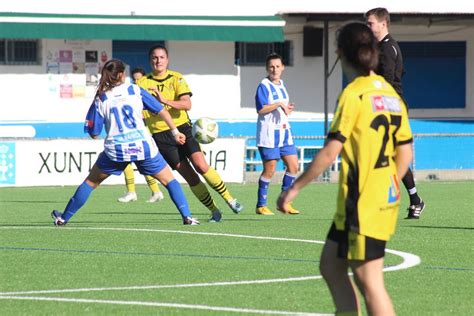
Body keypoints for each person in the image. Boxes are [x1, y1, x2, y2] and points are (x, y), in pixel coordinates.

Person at [277, 22, 413, 315]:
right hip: (370, 201)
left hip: (363, 202)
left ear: (341, 53)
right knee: (331, 265)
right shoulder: (391, 95)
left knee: (369, 281)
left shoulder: (354, 94)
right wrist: (390, 183)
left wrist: (293, 189)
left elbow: (329, 154)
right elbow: (406, 152)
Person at [51, 59, 200, 226]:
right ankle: (187, 217)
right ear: (122, 74)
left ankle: (63, 218)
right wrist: (175, 132)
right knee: (169, 181)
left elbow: (94, 133)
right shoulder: (135, 90)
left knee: (91, 183)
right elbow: (161, 110)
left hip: (116, 150)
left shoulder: (101, 98)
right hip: (142, 146)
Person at [136, 44, 243, 222]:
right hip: (160, 137)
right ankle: (214, 210)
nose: (158, 61)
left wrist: (164, 101)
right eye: (155, 57)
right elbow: (137, 109)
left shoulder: (176, 78)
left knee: (201, 165)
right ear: (150, 61)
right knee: (190, 176)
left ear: (167, 60)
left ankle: (230, 199)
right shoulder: (141, 84)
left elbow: (187, 104)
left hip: (183, 128)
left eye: (162, 57)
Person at [365, 7, 425, 219]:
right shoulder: (383, 47)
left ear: (383, 23)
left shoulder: (387, 48)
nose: (368, 27)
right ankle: (414, 200)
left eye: (371, 23)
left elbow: (389, 81)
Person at [254, 53, 300, 216]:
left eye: (278, 66)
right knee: (270, 170)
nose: (275, 69)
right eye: (272, 66)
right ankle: (261, 205)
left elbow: (281, 109)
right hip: (268, 134)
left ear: (283, 68)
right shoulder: (264, 85)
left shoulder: (282, 84)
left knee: (294, 166)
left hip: (284, 132)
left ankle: (285, 202)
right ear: (267, 68)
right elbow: (261, 109)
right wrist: (279, 104)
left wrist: (287, 109)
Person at [117, 67, 165, 203]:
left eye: (139, 78)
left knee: (138, 163)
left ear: (144, 78)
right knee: (130, 163)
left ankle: (147, 191)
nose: (137, 81)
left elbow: (156, 109)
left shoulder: (144, 91)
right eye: (135, 79)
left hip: (142, 132)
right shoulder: (130, 92)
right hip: (132, 133)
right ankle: (149, 191)